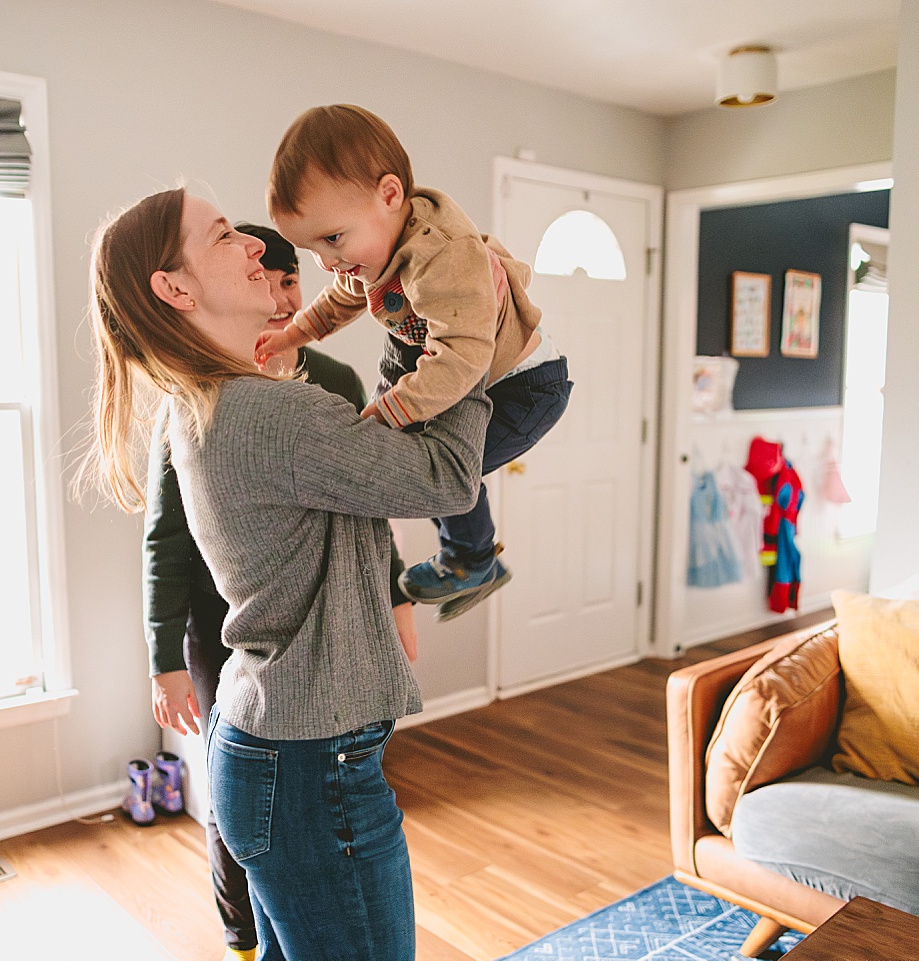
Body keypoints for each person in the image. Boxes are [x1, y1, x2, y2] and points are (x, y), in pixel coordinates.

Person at [87, 187, 490, 961]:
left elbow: (373, 491)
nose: (253, 246)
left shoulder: (216, 402)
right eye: (221, 237)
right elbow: (444, 479)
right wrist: (471, 337)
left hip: (278, 752)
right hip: (312, 772)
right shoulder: (265, 413)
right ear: (175, 288)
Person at [140, 222, 419, 961]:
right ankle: (240, 938)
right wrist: (162, 655)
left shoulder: (328, 383)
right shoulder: (228, 405)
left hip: (297, 693)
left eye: (290, 276)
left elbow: (367, 505)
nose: (280, 287)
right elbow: (163, 540)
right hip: (229, 626)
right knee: (247, 819)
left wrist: (395, 597)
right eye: (235, 244)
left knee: (265, 826)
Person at [255, 104, 573, 621]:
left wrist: (390, 410)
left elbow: (464, 355)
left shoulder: (443, 255)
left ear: (390, 194)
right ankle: (470, 556)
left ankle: (471, 559)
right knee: (424, 464)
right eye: (311, 249)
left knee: (436, 471)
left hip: (525, 386)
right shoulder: (375, 247)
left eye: (332, 239)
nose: (328, 262)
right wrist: (294, 332)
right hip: (482, 376)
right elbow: (342, 298)